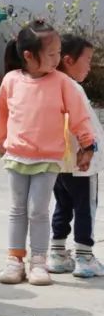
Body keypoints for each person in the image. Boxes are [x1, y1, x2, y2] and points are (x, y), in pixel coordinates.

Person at [0, 20, 95, 286]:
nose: (57, 58)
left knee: (38, 210)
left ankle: (38, 261)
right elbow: (3, 114)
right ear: (28, 55)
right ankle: (14, 260)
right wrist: (0, 140)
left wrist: (87, 145)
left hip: (48, 158)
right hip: (16, 155)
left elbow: (80, 117)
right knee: (17, 209)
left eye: (59, 52)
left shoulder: (62, 82)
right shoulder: (11, 81)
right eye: (51, 54)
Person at [47, 34, 104, 278]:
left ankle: (57, 253)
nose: (90, 66)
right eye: (88, 60)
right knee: (85, 207)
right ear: (68, 60)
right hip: (82, 162)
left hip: (58, 161)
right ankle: (84, 256)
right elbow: (85, 124)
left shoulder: (51, 84)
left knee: (62, 205)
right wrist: (91, 149)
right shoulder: (73, 88)